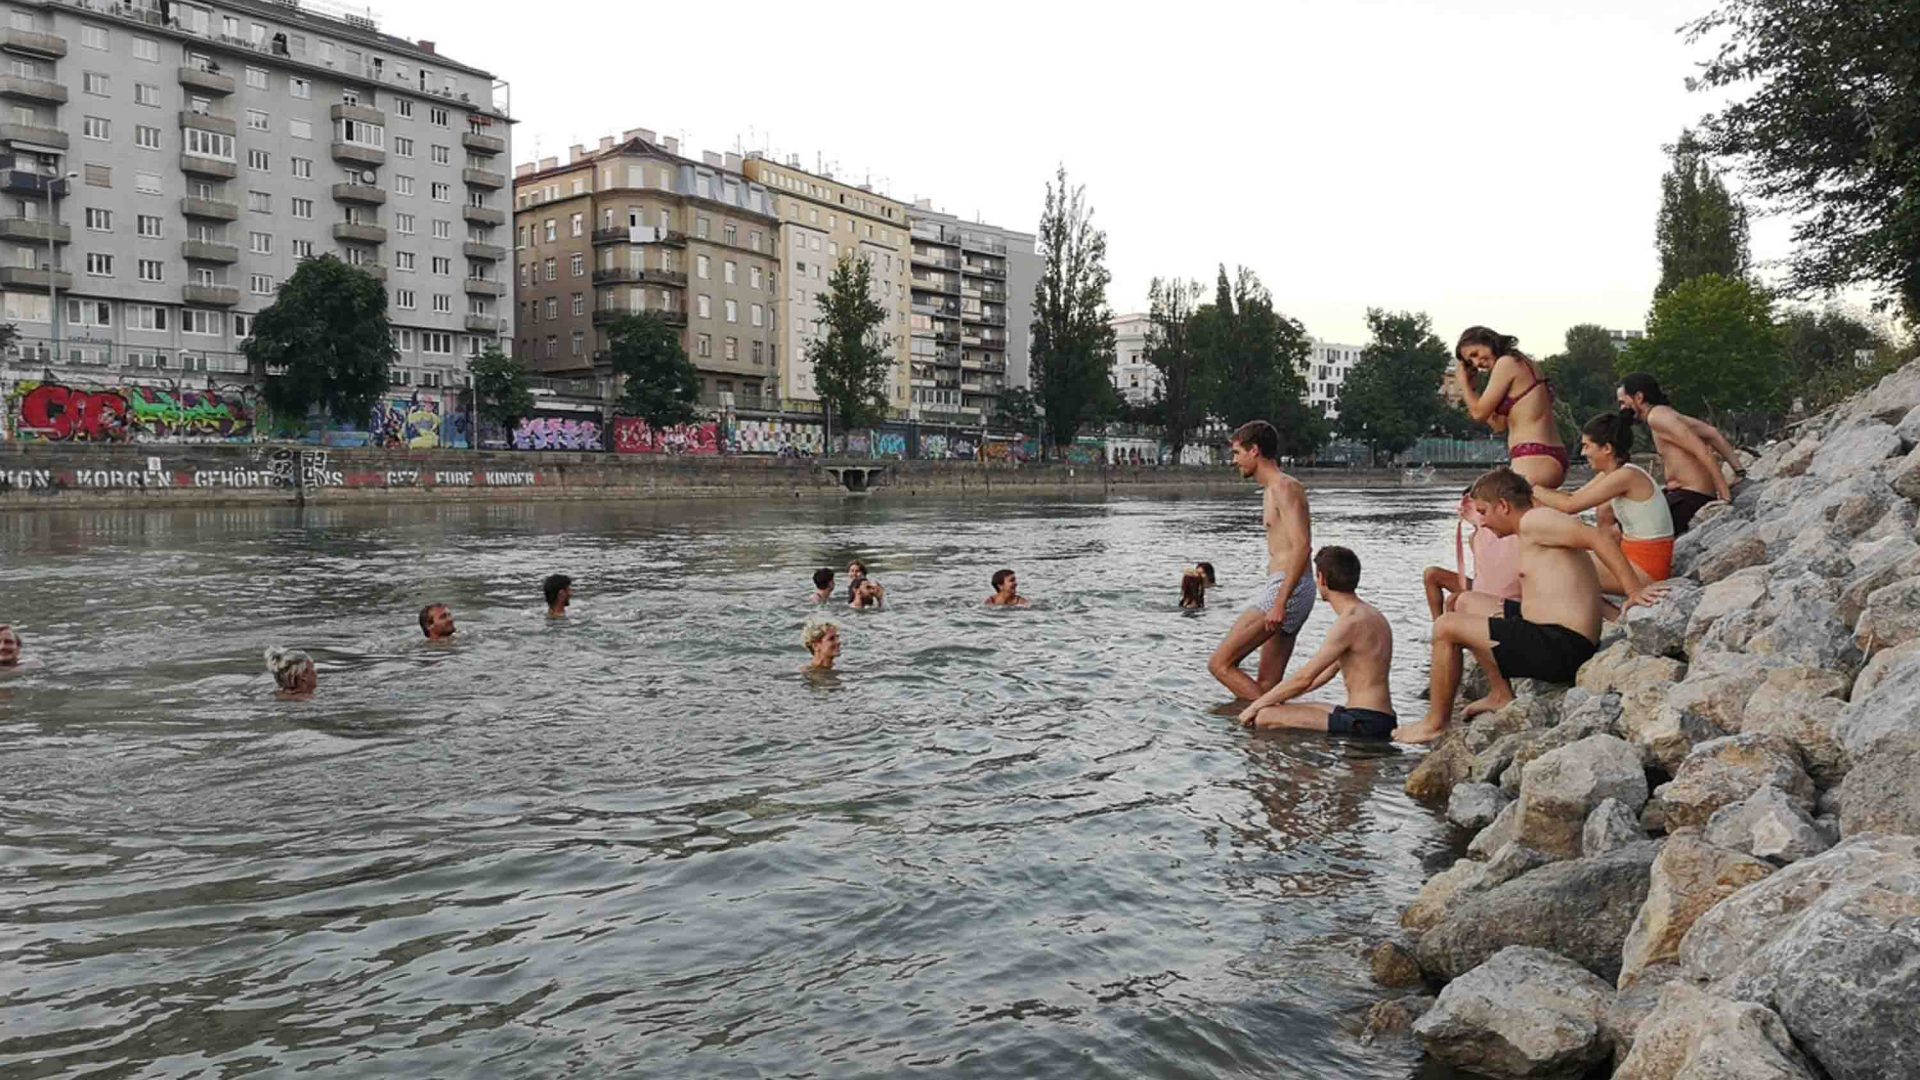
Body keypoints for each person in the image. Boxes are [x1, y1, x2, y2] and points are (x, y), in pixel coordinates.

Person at [1395, 467, 1663, 744]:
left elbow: (1599, 538)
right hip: (1547, 634)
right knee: (1465, 601)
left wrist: (1633, 590)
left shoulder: (1538, 521)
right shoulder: (1532, 526)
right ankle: (1501, 694)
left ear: (1503, 506)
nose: (1482, 523)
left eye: (1484, 512)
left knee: (1445, 627)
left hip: (1562, 646)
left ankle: (1434, 723)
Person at [1236, 546, 1398, 738]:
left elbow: (1303, 678)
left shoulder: (1349, 622)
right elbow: (1326, 673)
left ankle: (1285, 765)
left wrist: (1255, 706)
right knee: (1281, 708)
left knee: (1264, 716)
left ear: (1321, 579)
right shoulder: (1372, 615)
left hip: (1364, 722)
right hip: (1378, 716)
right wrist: (1279, 699)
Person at [1208, 420, 1315, 700]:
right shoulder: (1272, 489)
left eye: (1236, 453)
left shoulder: (1284, 487)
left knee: (1220, 663)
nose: (1234, 461)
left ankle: (1271, 715)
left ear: (1254, 450)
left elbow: (1303, 546)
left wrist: (1280, 601)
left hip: (1288, 588)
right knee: (1267, 684)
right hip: (1290, 586)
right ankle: (1269, 739)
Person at [1533, 411, 1676, 588]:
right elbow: (1572, 497)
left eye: (1587, 446)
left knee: (1559, 560)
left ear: (1607, 448)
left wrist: (1530, 486)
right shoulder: (1615, 473)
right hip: (1633, 558)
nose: (1583, 452)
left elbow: (1570, 506)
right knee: (1563, 555)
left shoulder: (1626, 476)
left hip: (1647, 570)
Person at [1617, 373, 1739, 534]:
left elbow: (1703, 452)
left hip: (1691, 499)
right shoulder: (1666, 413)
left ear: (1638, 397)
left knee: (1619, 529)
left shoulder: (1658, 418)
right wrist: (1739, 470)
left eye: (1623, 402)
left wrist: (1724, 497)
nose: (1621, 408)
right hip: (1684, 495)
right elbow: (1712, 433)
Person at [1453, 326, 1569, 490]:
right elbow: (1498, 425)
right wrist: (1473, 389)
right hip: (1548, 455)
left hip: (1532, 456)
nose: (1477, 362)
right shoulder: (1523, 362)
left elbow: (1478, 414)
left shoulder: (1506, 363)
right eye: (1471, 362)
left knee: (1484, 508)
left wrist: (1463, 384)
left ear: (1488, 341)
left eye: (1475, 353)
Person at [1422, 489, 1522, 618]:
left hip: (1505, 595)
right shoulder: (1474, 538)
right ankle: (1438, 626)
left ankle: (1448, 629)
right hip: (1483, 587)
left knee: (1454, 600)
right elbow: (1483, 573)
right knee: (1432, 574)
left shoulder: (1508, 529)